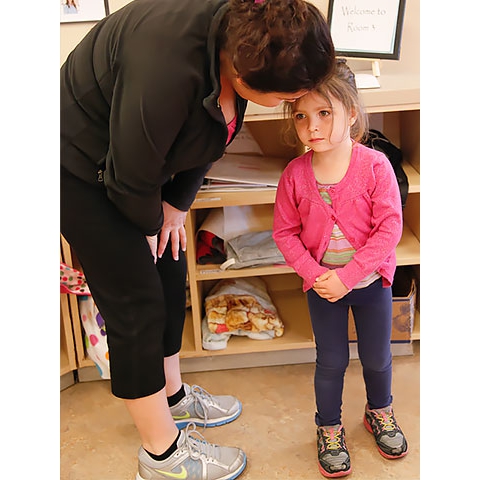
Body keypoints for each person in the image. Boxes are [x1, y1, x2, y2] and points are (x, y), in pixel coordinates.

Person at [60, 0, 335, 479]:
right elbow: (128, 179)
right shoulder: (167, 68)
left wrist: (175, 207)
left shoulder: (242, 40)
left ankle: (174, 397)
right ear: (246, 74)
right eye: (292, 98)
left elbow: (211, 135)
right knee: (136, 303)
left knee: (169, 266)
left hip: (135, 160)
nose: (300, 104)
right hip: (76, 163)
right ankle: (162, 455)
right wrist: (144, 224)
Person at [272, 59, 408, 478]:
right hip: (323, 287)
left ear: (351, 112)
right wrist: (317, 277)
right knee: (330, 360)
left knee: (377, 356)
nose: (312, 126)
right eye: (301, 116)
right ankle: (328, 427)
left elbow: (389, 228)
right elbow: (284, 233)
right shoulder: (294, 176)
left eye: (324, 113)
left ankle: (379, 411)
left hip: (369, 283)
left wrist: (348, 277)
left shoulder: (375, 166)